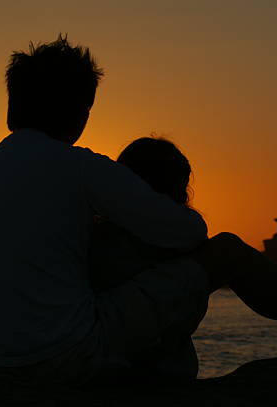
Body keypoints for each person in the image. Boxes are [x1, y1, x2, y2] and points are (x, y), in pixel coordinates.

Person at [0, 36, 277, 386]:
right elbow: (188, 232)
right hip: (65, 357)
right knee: (227, 251)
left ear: (14, 103)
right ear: (76, 109)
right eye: (87, 108)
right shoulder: (77, 166)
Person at [90, 137, 202, 378]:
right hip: (135, 356)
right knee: (226, 250)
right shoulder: (179, 237)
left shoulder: (96, 231)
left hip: (106, 349)